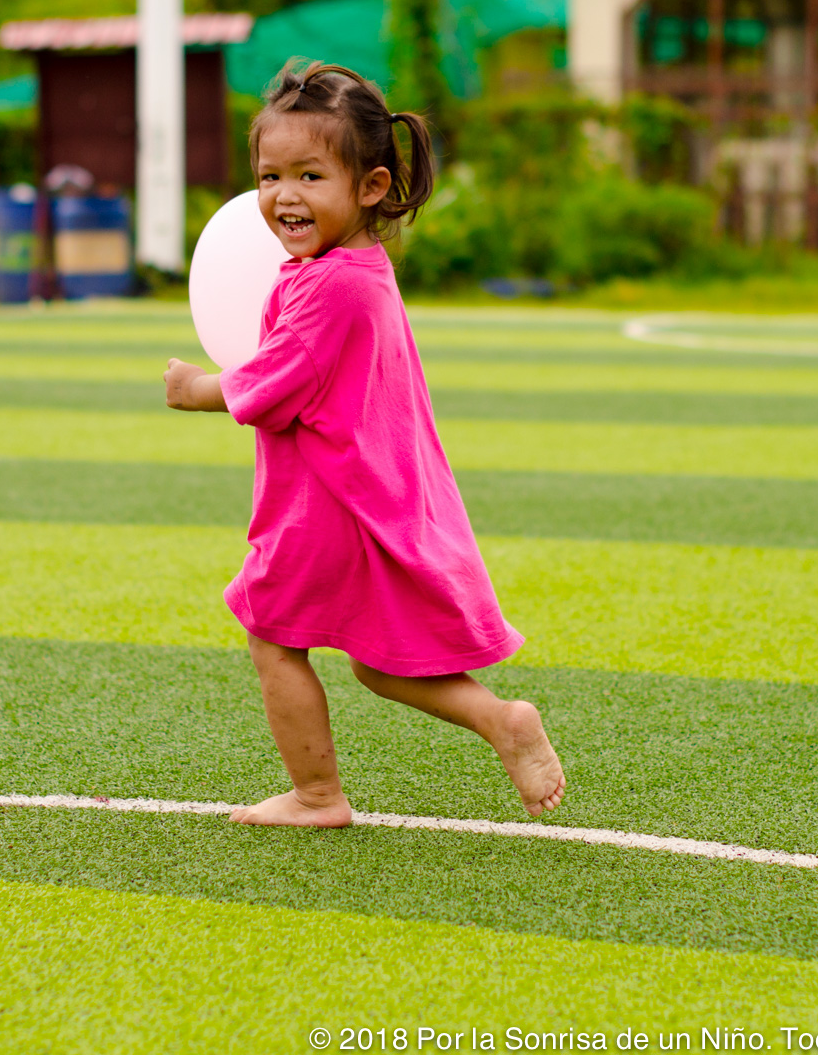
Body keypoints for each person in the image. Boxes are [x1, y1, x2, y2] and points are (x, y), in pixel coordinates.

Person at [162, 62, 566, 828]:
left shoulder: (333, 286)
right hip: (356, 494)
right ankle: (499, 720)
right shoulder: (350, 270)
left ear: (371, 188)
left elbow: (274, 381)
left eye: (311, 175)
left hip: (326, 502)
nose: (285, 195)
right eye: (270, 174)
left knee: (272, 636)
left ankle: (318, 795)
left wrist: (198, 387)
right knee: (379, 663)